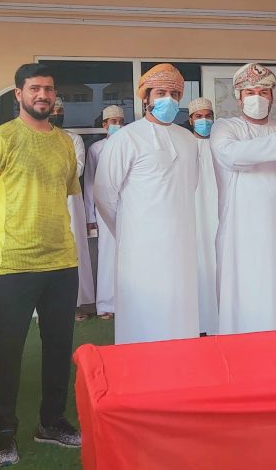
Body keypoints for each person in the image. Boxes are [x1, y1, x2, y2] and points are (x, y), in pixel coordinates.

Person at [0, 63, 82, 466]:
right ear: (19, 94)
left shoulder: (65, 143)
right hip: (12, 266)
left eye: (48, 88)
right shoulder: (0, 139)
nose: (42, 95)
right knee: (7, 353)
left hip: (61, 263)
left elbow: (63, 194)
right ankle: (4, 435)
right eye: (34, 88)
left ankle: (51, 422)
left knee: (59, 347)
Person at [210, 63, 276, 335]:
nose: (257, 98)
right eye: (250, 92)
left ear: (272, 97)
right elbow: (233, 156)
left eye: (263, 92)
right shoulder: (225, 128)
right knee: (241, 299)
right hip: (240, 234)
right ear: (239, 98)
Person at [94, 63, 199, 344]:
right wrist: (128, 230)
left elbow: (189, 186)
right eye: (161, 93)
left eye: (174, 94)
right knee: (143, 319)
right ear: (146, 98)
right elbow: (104, 194)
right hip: (140, 249)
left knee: (180, 314)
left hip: (181, 246)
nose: (168, 99)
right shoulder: (126, 138)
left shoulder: (188, 140)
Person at [49, 97, 95, 320]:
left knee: (73, 250)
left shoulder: (73, 139)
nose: (58, 114)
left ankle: (75, 305)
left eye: (61, 111)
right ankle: (46, 308)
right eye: (54, 110)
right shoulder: (35, 139)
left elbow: (77, 169)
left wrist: (48, 173)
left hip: (70, 201)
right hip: (44, 202)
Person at [83, 105, 125, 320]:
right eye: (113, 122)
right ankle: (106, 304)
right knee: (107, 254)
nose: (117, 125)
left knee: (129, 255)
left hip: (129, 207)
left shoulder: (129, 144)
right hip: (103, 206)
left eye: (120, 121)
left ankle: (128, 303)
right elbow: (90, 183)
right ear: (104, 125)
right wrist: (90, 216)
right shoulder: (96, 149)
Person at [187, 97, 219, 335]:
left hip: (219, 212)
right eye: (199, 117)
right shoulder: (184, 145)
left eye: (208, 116)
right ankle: (198, 322)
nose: (204, 121)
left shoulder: (221, 144)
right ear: (191, 120)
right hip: (193, 214)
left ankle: (220, 320)